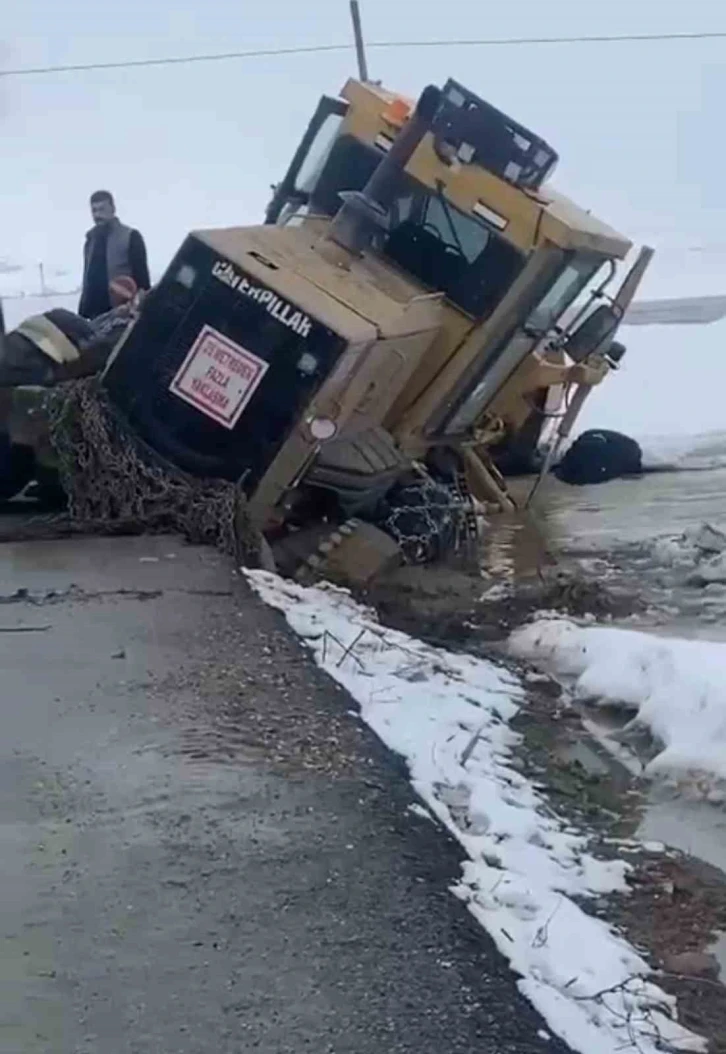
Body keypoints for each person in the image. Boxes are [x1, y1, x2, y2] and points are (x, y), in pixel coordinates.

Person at [78, 190, 150, 319]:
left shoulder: (131, 237)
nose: (97, 215)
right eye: (94, 210)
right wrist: (82, 311)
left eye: (102, 209)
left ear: (113, 209)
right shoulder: (90, 241)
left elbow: (143, 283)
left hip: (123, 314)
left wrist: (138, 311)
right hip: (96, 316)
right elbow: (87, 278)